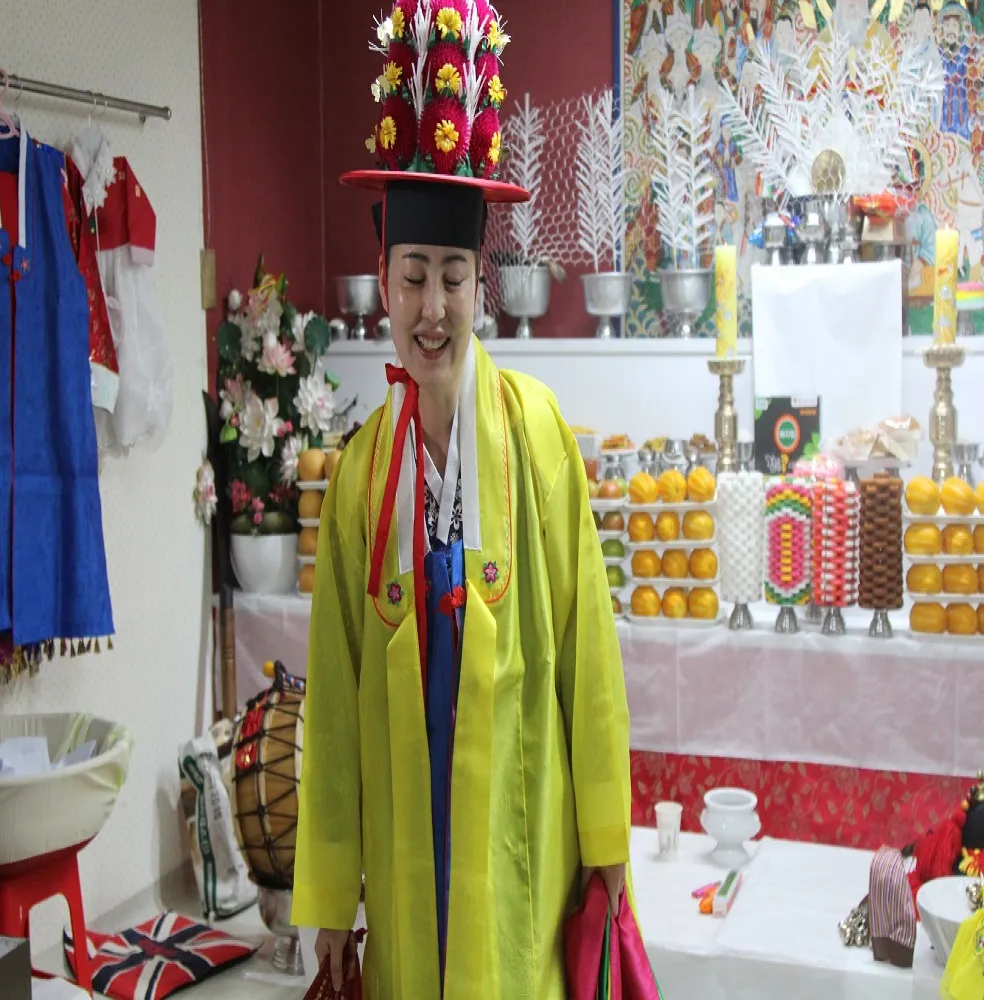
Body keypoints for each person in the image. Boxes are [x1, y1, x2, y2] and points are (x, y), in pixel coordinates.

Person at [291, 3, 635, 996]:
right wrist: (330, 899)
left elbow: (588, 652)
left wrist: (607, 840)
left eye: (452, 278)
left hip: (518, 836)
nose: (432, 308)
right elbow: (336, 704)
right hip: (407, 851)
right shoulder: (361, 473)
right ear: (384, 284)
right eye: (413, 279)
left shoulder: (535, 433)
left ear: (481, 286)